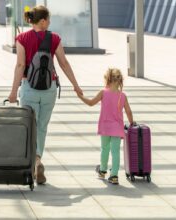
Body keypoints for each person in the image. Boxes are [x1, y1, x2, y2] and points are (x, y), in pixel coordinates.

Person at [8, 5, 83, 185]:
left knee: (29, 125)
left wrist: (12, 92)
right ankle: (38, 160)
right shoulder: (54, 38)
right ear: (42, 21)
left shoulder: (22, 38)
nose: (49, 23)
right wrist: (75, 85)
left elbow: (20, 66)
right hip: (49, 89)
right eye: (48, 20)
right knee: (42, 126)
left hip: (29, 88)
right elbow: (63, 63)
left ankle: (32, 163)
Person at [77, 68, 134, 185]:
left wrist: (80, 96)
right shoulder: (122, 96)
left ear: (108, 79)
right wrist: (132, 123)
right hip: (117, 128)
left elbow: (90, 103)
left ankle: (102, 170)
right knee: (116, 152)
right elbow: (128, 111)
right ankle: (114, 175)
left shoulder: (103, 92)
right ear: (120, 81)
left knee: (105, 149)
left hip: (105, 127)